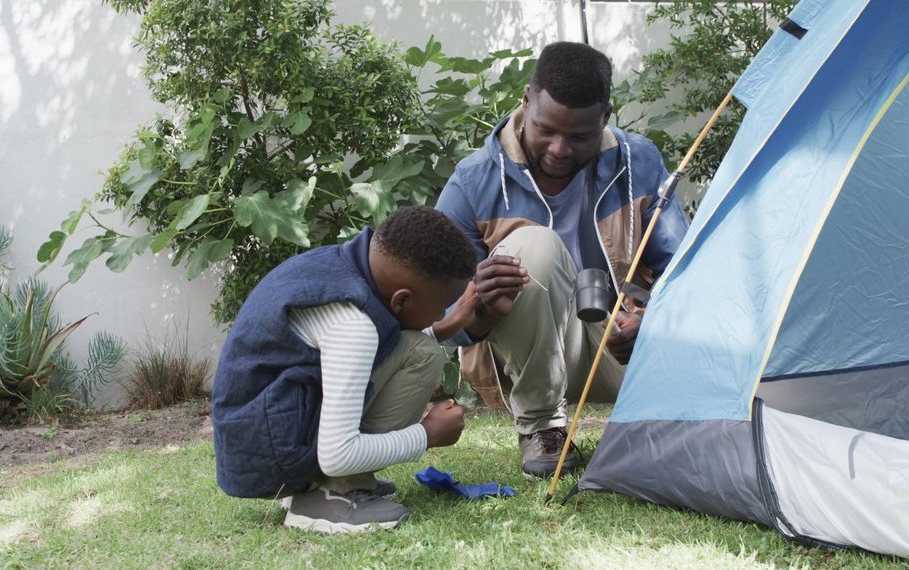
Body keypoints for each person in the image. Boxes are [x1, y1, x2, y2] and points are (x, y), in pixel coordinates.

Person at [435, 41, 689, 478]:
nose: (558, 148)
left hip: (619, 347)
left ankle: (652, 416)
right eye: (546, 130)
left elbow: (685, 271)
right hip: (519, 360)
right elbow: (438, 315)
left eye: (578, 137)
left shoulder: (639, 162)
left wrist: (651, 319)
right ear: (526, 102)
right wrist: (479, 307)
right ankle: (543, 428)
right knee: (535, 246)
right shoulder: (474, 182)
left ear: (605, 118)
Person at [211, 206, 480, 534]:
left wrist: (443, 328)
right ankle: (331, 493)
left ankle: (330, 484)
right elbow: (337, 455)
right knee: (423, 355)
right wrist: (427, 434)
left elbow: (385, 341)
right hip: (270, 460)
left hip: (260, 437)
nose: (440, 315)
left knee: (420, 349)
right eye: (440, 308)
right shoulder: (353, 325)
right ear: (401, 300)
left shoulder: (343, 267)